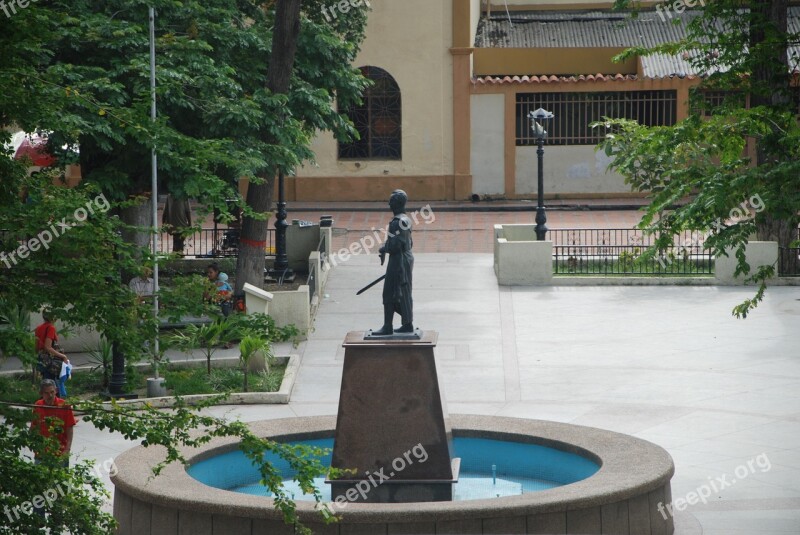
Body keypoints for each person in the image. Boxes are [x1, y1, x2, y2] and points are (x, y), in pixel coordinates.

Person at [373, 190, 414, 335]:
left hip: (399, 261)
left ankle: (387, 326)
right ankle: (407, 324)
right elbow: (409, 242)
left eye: (391, 201)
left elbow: (395, 246)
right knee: (403, 292)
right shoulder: (406, 219)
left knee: (390, 293)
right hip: (406, 259)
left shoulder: (396, 223)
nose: (389, 204)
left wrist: (384, 248)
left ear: (396, 203)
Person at [30, 379, 77, 465]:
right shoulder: (38, 405)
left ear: (56, 391)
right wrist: (34, 446)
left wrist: (67, 449)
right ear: (41, 393)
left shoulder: (64, 405)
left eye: (52, 392)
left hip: (60, 454)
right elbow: (33, 427)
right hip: (41, 454)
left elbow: (69, 428)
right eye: (46, 393)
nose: (50, 395)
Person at [35, 310, 70, 397]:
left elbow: (36, 346)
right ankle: (54, 404)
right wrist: (63, 356)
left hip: (42, 359)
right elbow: (48, 346)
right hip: (50, 361)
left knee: (46, 383)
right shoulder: (51, 328)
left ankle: (44, 403)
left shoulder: (38, 328)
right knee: (52, 385)